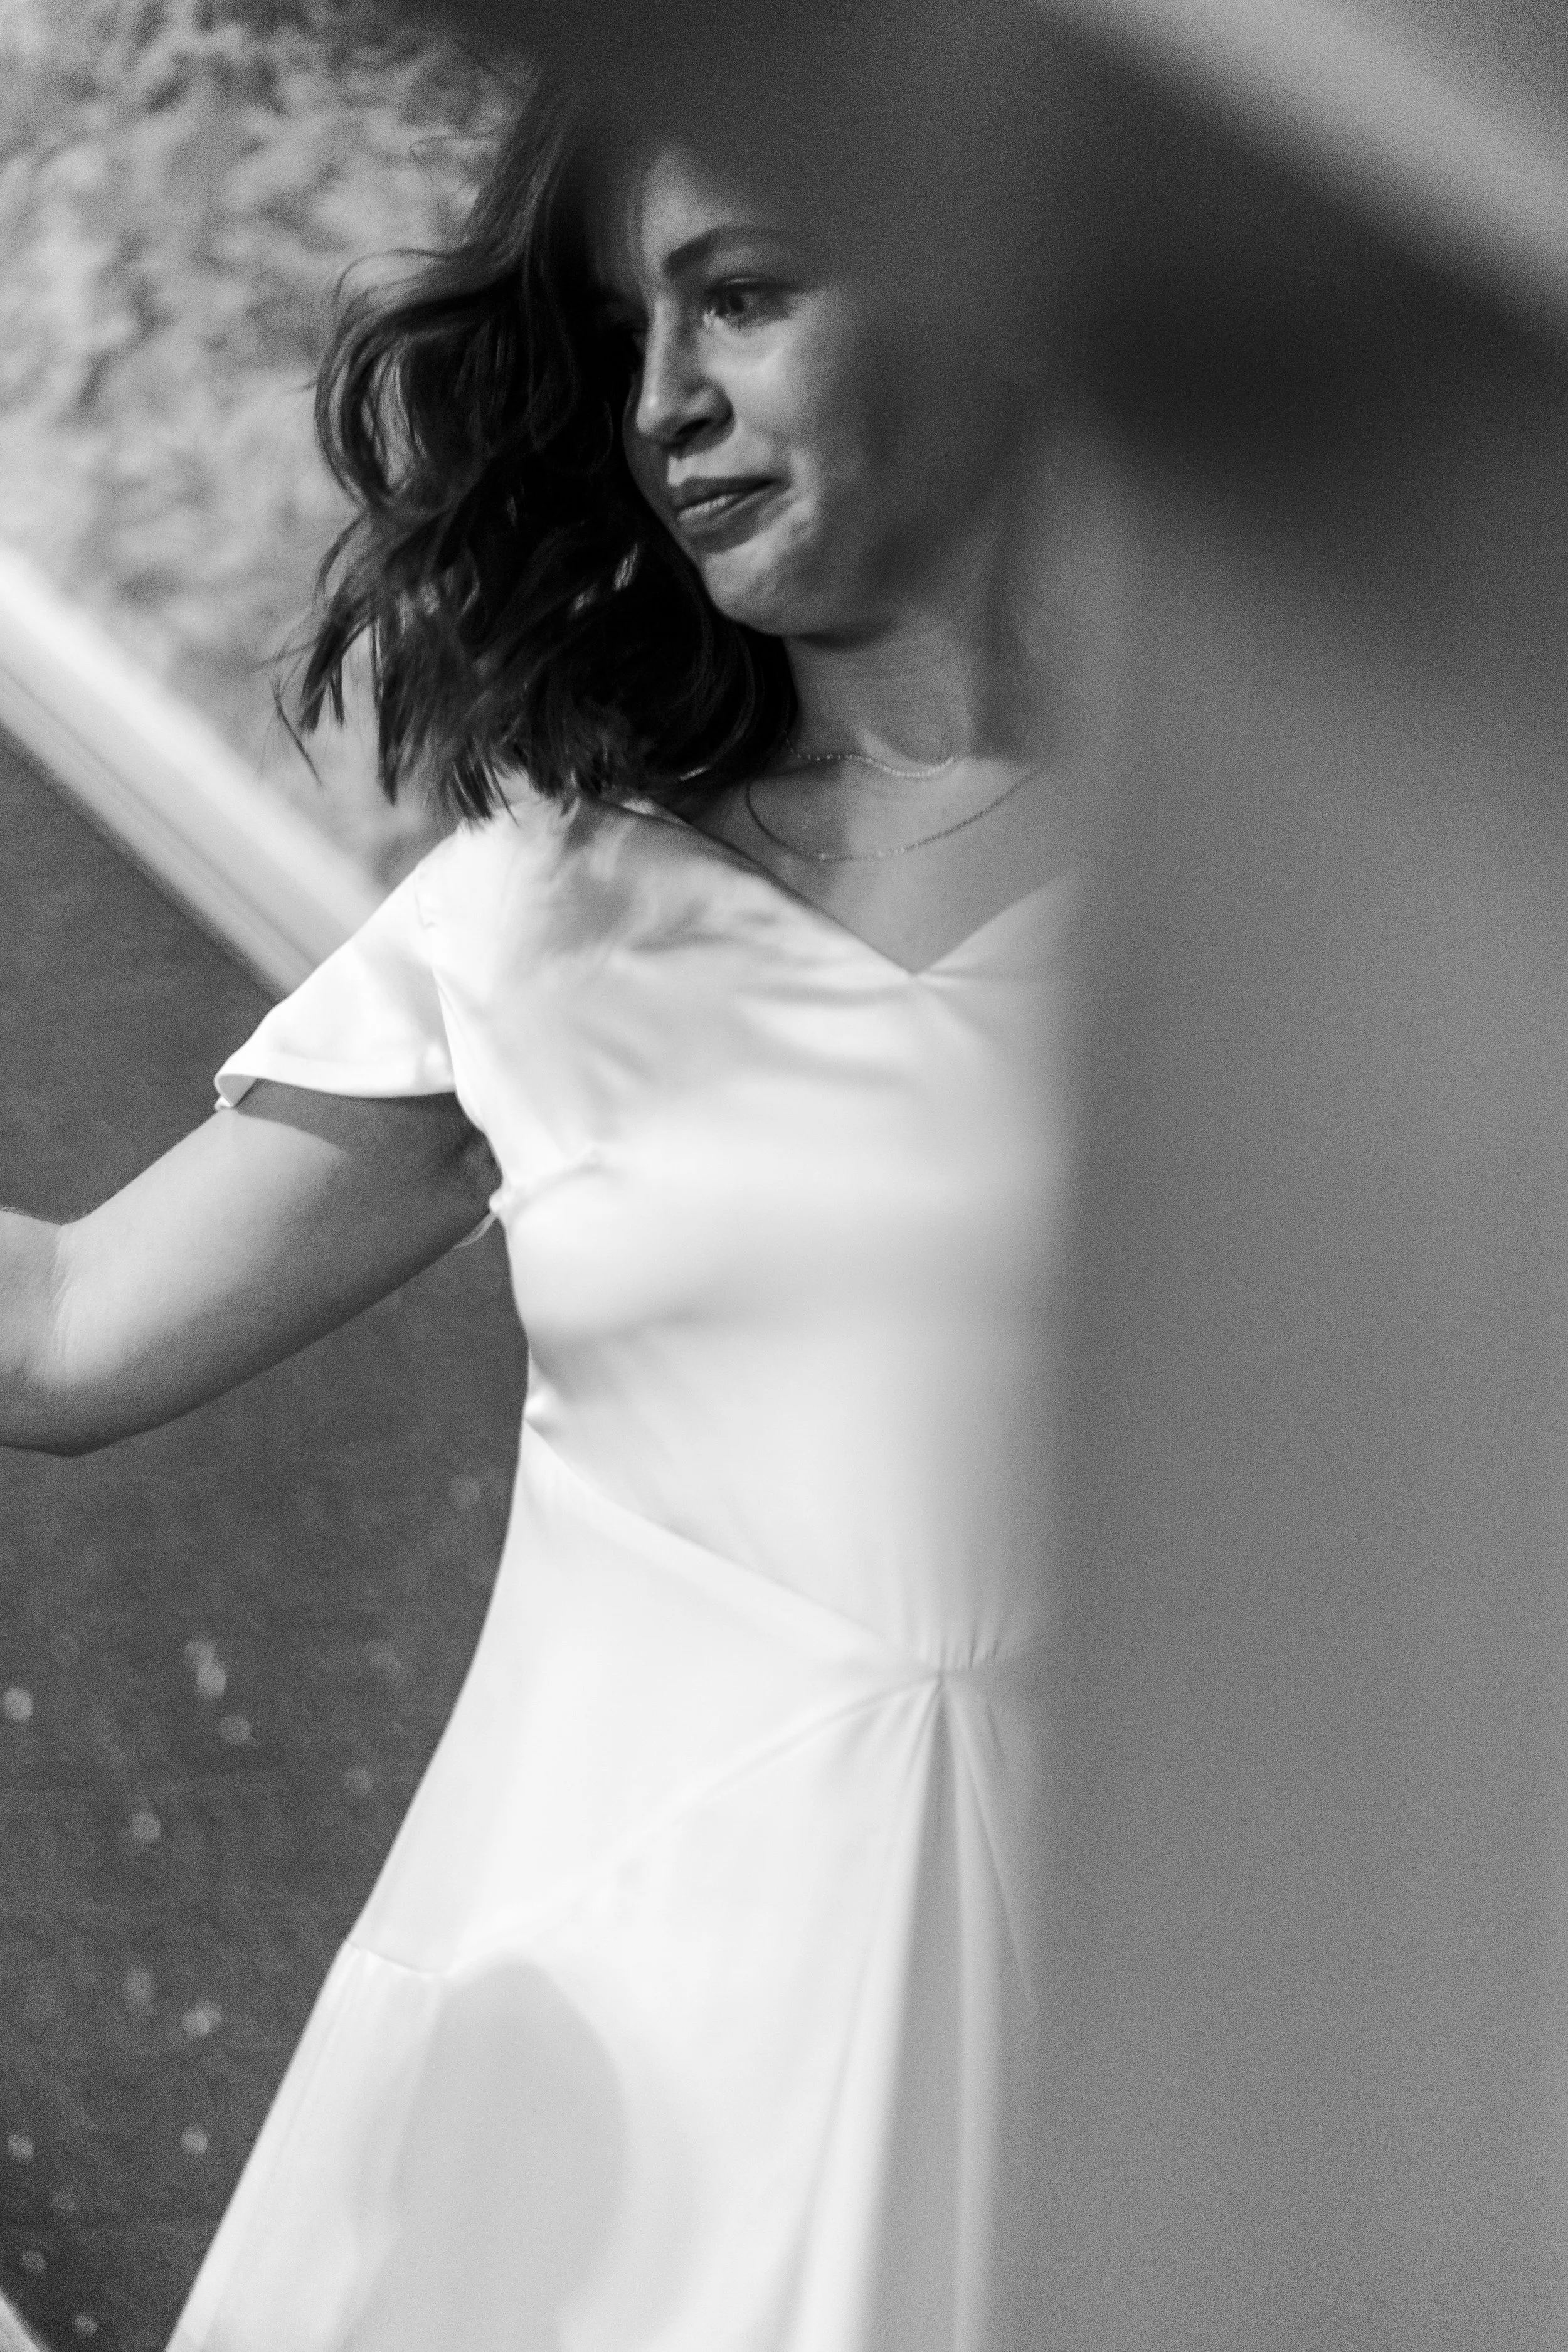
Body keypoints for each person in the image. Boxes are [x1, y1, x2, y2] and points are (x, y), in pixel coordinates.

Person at [2, 65, 1091, 2352]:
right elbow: (68, 1328)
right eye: (623, 344)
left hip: (1132, 2068)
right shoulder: (552, 905)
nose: (668, 405)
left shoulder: (1331, 926)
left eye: (746, 299)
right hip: (594, 2121)